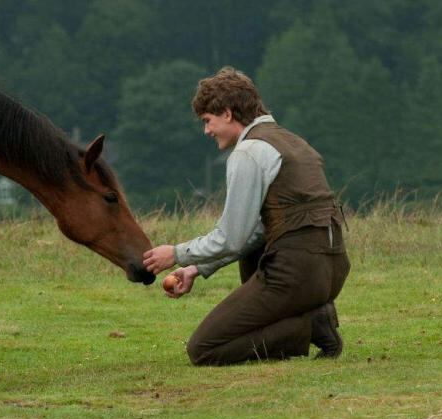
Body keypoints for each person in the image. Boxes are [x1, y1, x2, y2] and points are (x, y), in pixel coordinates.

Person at [143, 67, 350, 365]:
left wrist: (176, 254)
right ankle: (313, 314)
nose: (206, 131)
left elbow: (232, 237)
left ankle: (311, 325)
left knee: (203, 349)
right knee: (250, 258)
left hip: (296, 275)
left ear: (227, 114)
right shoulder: (292, 142)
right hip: (331, 271)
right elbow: (257, 232)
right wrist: (196, 269)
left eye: (207, 121)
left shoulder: (249, 152)